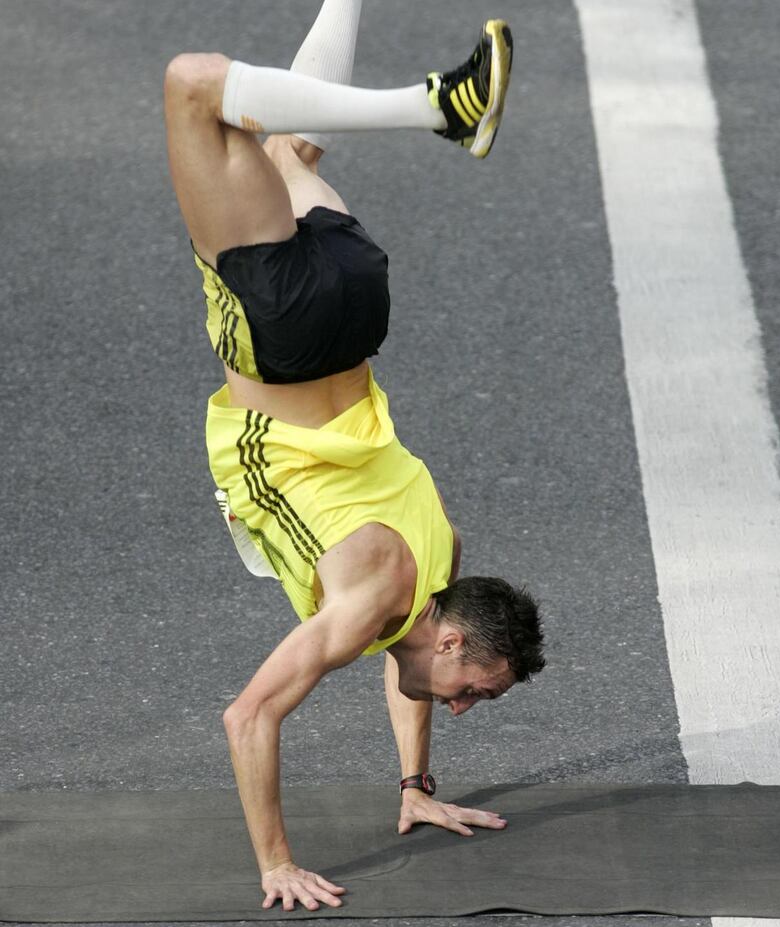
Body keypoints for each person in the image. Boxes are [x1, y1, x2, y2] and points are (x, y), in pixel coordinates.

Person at [164, 0, 544, 912]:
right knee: (191, 87)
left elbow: (405, 659)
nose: (461, 706)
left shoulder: (438, 561)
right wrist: (275, 864)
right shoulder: (374, 598)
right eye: (473, 690)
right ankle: (436, 109)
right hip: (282, 337)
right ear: (449, 636)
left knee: (290, 146)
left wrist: (417, 787)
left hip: (357, 298)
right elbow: (247, 714)